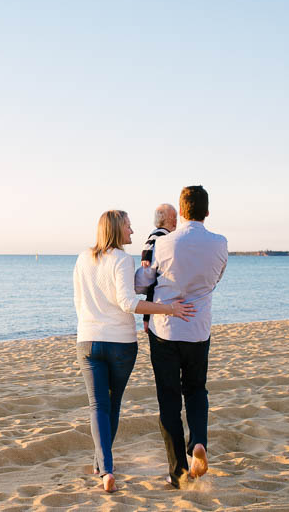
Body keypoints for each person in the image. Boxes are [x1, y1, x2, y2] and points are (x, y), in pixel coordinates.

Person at [73, 209, 196, 493]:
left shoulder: (82, 259)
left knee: (98, 406)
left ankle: (102, 466)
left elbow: (78, 301)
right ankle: (104, 467)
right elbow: (128, 302)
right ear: (117, 230)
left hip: (87, 341)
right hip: (119, 343)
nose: (132, 231)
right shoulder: (121, 260)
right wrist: (169, 309)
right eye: (128, 226)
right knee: (111, 405)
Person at [135, 186, 228, 488]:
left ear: (181, 211)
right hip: (198, 330)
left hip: (165, 330)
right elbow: (216, 278)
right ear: (207, 212)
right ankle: (198, 441)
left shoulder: (164, 243)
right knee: (197, 390)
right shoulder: (220, 243)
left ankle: (178, 472)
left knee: (169, 400)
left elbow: (144, 282)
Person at [140, 204, 178, 335]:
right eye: (174, 217)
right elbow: (149, 245)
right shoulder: (161, 233)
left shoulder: (162, 233)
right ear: (169, 219)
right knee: (151, 294)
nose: (176, 221)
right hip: (155, 272)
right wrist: (146, 257)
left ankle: (146, 320)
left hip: (156, 272)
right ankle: (146, 320)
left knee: (150, 295)